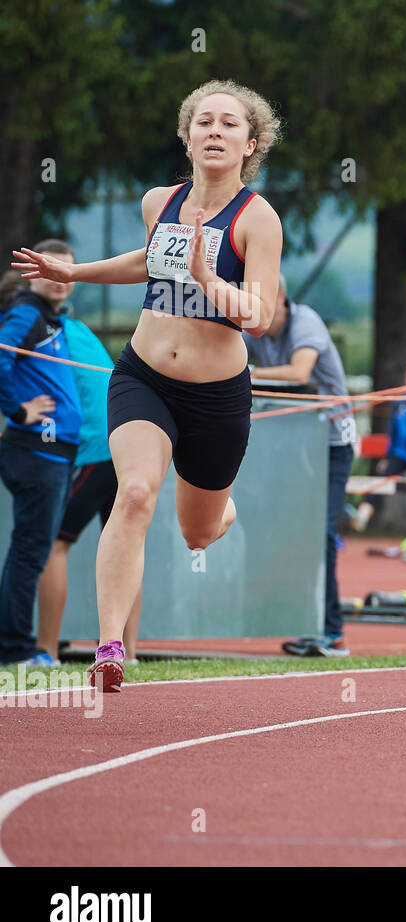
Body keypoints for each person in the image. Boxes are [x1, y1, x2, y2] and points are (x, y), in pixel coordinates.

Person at [13, 80, 283, 691]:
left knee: (197, 530)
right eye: (204, 122)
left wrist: (210, 279)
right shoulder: (159, 201)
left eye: (229, 124)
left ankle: (222, 510)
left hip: (217, 396)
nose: (215, 132)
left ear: (251, 143)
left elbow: (260, 314)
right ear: (187, 137)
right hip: (144, 377)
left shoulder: (258, 219)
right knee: (134, 494)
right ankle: (110, 648)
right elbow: (146, 261)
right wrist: (73, 269)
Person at [244, 278, 358, 657]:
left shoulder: (305, 321)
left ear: (278, 297)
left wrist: (247, 373)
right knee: (286, 531)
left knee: (320, 534)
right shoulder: (253, 329)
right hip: (290, 443)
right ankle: (303, 621)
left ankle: (332, 631)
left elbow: (299, 373)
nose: (248, 306)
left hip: (331, 443)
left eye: (254, 297)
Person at [36, 309, 144, 665]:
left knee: (53, 545)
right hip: (122, 444)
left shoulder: (46, 333)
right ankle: (129, 653)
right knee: (126, 543)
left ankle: (46, 651)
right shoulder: (77, 329)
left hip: (98, 450)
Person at [0, 240, 82, 666]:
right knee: (31, 550)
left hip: (53, 454)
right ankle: (14, 649)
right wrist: (17, 410)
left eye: (67, 272)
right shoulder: (28, 313)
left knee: (31, 548)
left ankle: (14, 645)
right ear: (36, 273)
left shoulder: (52, 318)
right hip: (36, 453)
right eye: (52, 270)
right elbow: (0, 356)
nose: (61, 280)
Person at [349, 359, 406, 561]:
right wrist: (386, 456)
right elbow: (393, 432)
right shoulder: (400, 401)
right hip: (399, 453)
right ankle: (364, 513)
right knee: (382, 479)